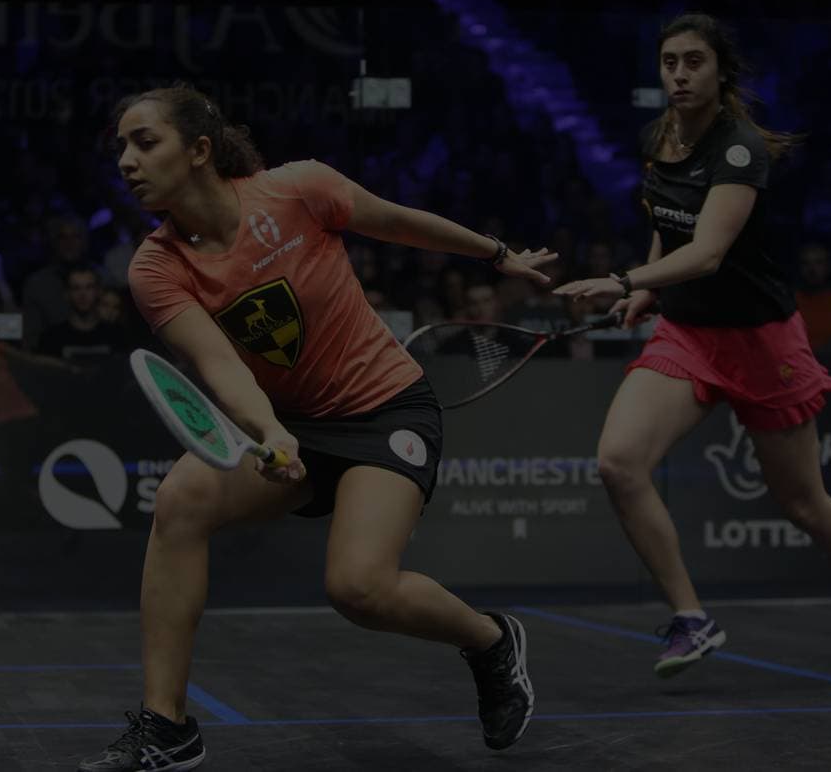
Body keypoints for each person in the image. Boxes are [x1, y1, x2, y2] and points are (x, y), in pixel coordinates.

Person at [77, 84, 553, 772]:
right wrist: (270, 433)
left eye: (144, 142)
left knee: (359, 589)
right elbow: (220, 366)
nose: (126, 160)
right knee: (180, 502)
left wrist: (496, 253)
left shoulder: (297, 189)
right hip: (290, 424)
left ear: (201, 150)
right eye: (120, 146)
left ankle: (489, 641)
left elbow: (395, 221)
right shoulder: (156, 267)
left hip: (385, 409)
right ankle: (168, 725)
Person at [554, 13, 831, 682]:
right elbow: (668, 227)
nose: (679, 75)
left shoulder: (740, 148)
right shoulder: (658, 137)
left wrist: (624, 280)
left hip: (762, 342)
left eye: (693, 62)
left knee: (803, 504)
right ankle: (692, 619)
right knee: (618, 463)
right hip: (689, 335)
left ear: (721, 73)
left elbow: (710, 251)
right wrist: (649, 292)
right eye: (668, 63)